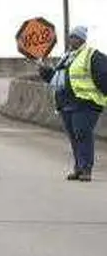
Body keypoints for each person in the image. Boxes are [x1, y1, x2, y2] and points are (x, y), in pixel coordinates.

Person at [37, 25, 107, 181]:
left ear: (82, 39)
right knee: (74, 137)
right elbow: (57, 79)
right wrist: (44, 71)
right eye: (70, 37)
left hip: (86, 103)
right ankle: (78, 167)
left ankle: (86, 169)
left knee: (82, 134)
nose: (71, 40)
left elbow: (104, 75)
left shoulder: (92, 55)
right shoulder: (66, 57)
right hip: (66, 104)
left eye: (74, 37)